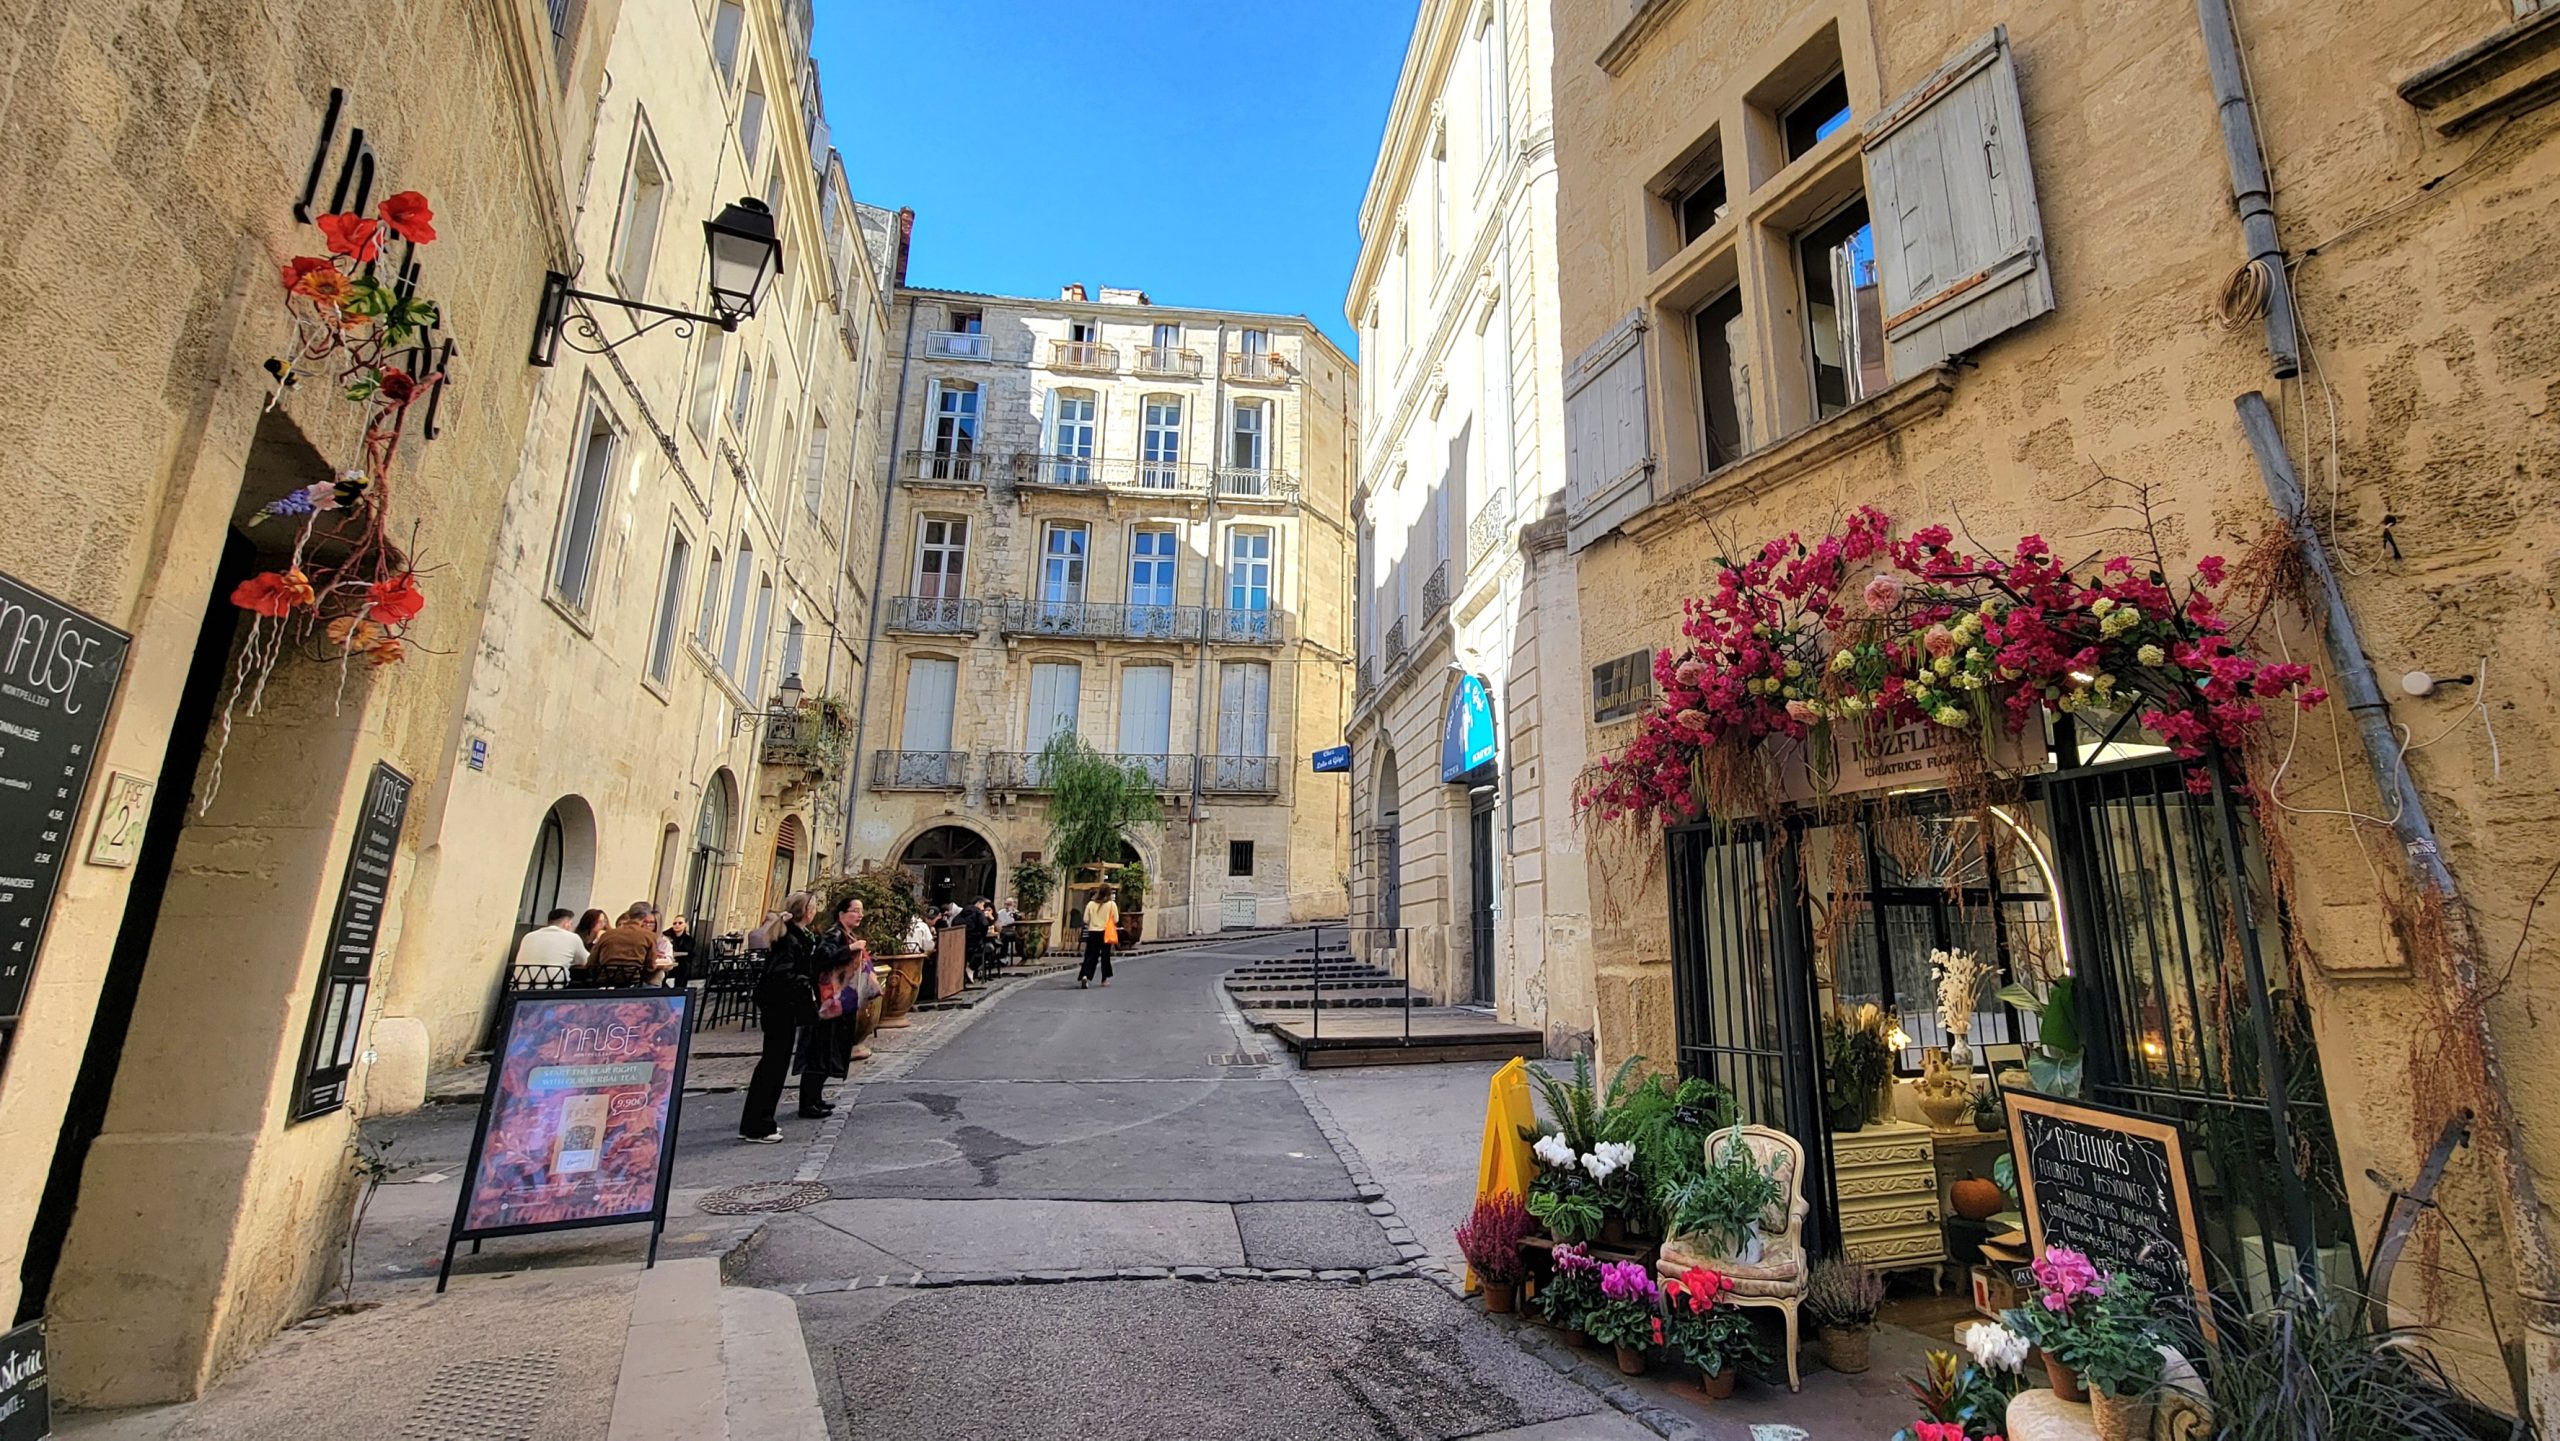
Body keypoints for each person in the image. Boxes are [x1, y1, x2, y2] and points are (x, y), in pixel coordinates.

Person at [739, 891, 829, 1142]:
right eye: (813, 907)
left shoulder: (794, 935)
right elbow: (783, 975)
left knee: (773, 1064)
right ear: (807, 912)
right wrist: (805, 990)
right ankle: (759, 1124)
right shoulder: (790, 939)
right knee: (774, 1065)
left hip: (779, 1007)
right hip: (781, 1007)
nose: (815, 911)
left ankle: (756, 1121)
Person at [589, 902, 662, 987]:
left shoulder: (607, 935)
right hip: (633, 983)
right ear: (645, 917)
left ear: (629, 915)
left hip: (605, 982)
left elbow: (591, 962)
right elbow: (650, 967)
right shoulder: (648, 936)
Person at [511, 908, 585, 977]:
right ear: (567, 924)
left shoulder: (528, 936)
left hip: (519, 985)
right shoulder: (573, 938)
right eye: (571, 924)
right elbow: (586, 961)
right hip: (553, 985)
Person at [1079, 884, 1119, 989]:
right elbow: (1116, 919)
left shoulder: (1091, 904)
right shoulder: (1112, 905)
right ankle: (1104, 979)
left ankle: (1085, 975)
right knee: (1105, 956)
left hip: (1093, 932)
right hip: (1105, 933)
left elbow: (1085, 919)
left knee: (1090, 956)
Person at [962, 896, 992, 983]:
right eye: (982, 905)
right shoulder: (978, 912)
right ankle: (971, 968)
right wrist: (982, 934)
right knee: (989, 949)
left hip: (962, 940)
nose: (983, 908)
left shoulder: (963, 911)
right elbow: (985, 924)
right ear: (978, 903)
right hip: (974, 941)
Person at [662, 914, 697, 986]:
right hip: (668, 962)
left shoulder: (689, 939)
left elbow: (691, 954)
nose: (677, 925)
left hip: (681, 964)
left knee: (685, 967)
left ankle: (680, 989)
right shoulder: (666, 935)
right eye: (674, 923)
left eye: (680, 923)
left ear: (685, 925)